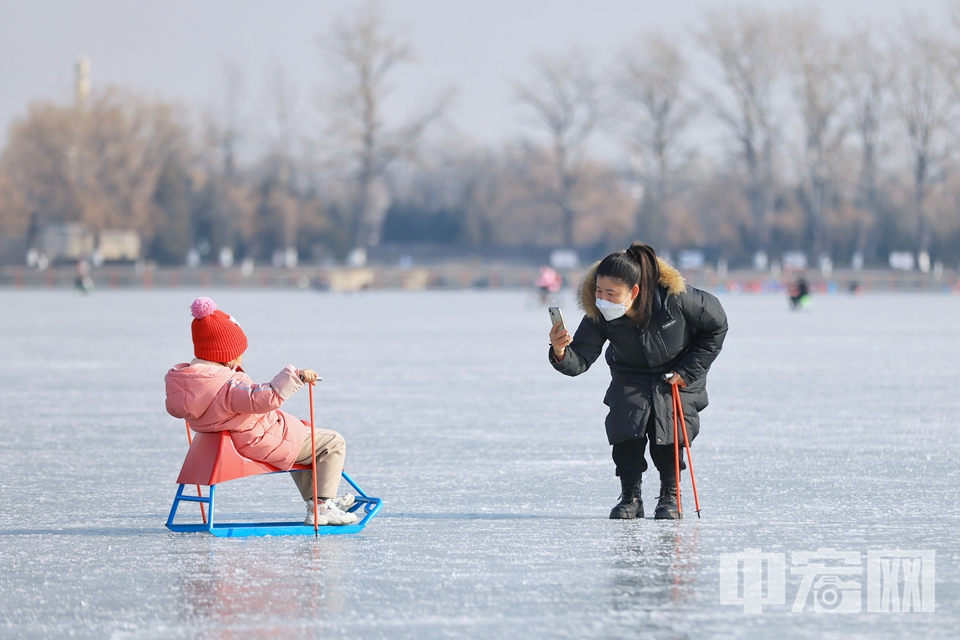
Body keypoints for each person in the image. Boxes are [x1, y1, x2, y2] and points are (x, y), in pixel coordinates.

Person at [548, 242, 727, 520]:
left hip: (677, 372)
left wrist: (689, 369)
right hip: (629, 374)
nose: (602, 299)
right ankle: (631, 495)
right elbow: (581, 358)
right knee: (625, 431)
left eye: (611, 293)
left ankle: (670, 494)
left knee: (667, 433)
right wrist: (560, 352)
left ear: (634, 291)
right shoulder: (600, 314)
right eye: (598, 291)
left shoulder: (675, 298)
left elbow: (716, 325)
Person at [164, 297, 357, 526]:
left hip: (230, 440)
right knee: (332, 442)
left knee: (303, 434)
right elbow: (261, 398)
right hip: (258, 440)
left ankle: (320, 500)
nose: (242, 358)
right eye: (239, 352)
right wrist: (297, 377)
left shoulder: (191, 383)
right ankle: (324, 506)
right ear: (226, 355)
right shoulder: (227, 385)